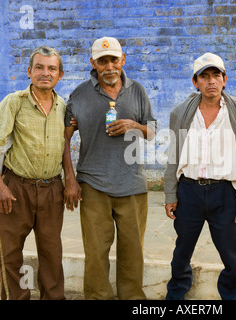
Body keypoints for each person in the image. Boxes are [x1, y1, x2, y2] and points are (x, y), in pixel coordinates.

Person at [63, 36, 156, 300]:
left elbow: (152, 131)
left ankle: (133, 300)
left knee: (132, 252)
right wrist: (70, 179)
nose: (109, 66)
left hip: (132, 185)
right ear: (93, 63)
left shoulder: (137, 91)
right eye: (102, 61)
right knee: (95, 252)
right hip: (93, 186)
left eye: (114, 59)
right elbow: (64, 137)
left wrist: (134, 125)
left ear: (122, 60)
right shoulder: (79, 95)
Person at [164, 52, 236, 300]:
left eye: (216, 75)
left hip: (225, 193)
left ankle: (234, 296)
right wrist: (170, 193)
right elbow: (173, 155)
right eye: (203, 76)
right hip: (189, 191)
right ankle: (175, 296)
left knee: (231, 253)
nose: (211, 81)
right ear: (195, 82)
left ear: (225, 79)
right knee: (182, 251)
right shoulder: (181, 112)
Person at [0, 46, 66, 300]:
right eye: (39, 67)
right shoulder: (14, 102)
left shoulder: (63, 106)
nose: (45, 73)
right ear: (29, 72)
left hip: (52, 189)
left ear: (60, 75)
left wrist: (69, 180)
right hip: (16, 189)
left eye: (51, 68)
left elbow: (64, 147)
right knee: (10, 253)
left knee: (52, 253)